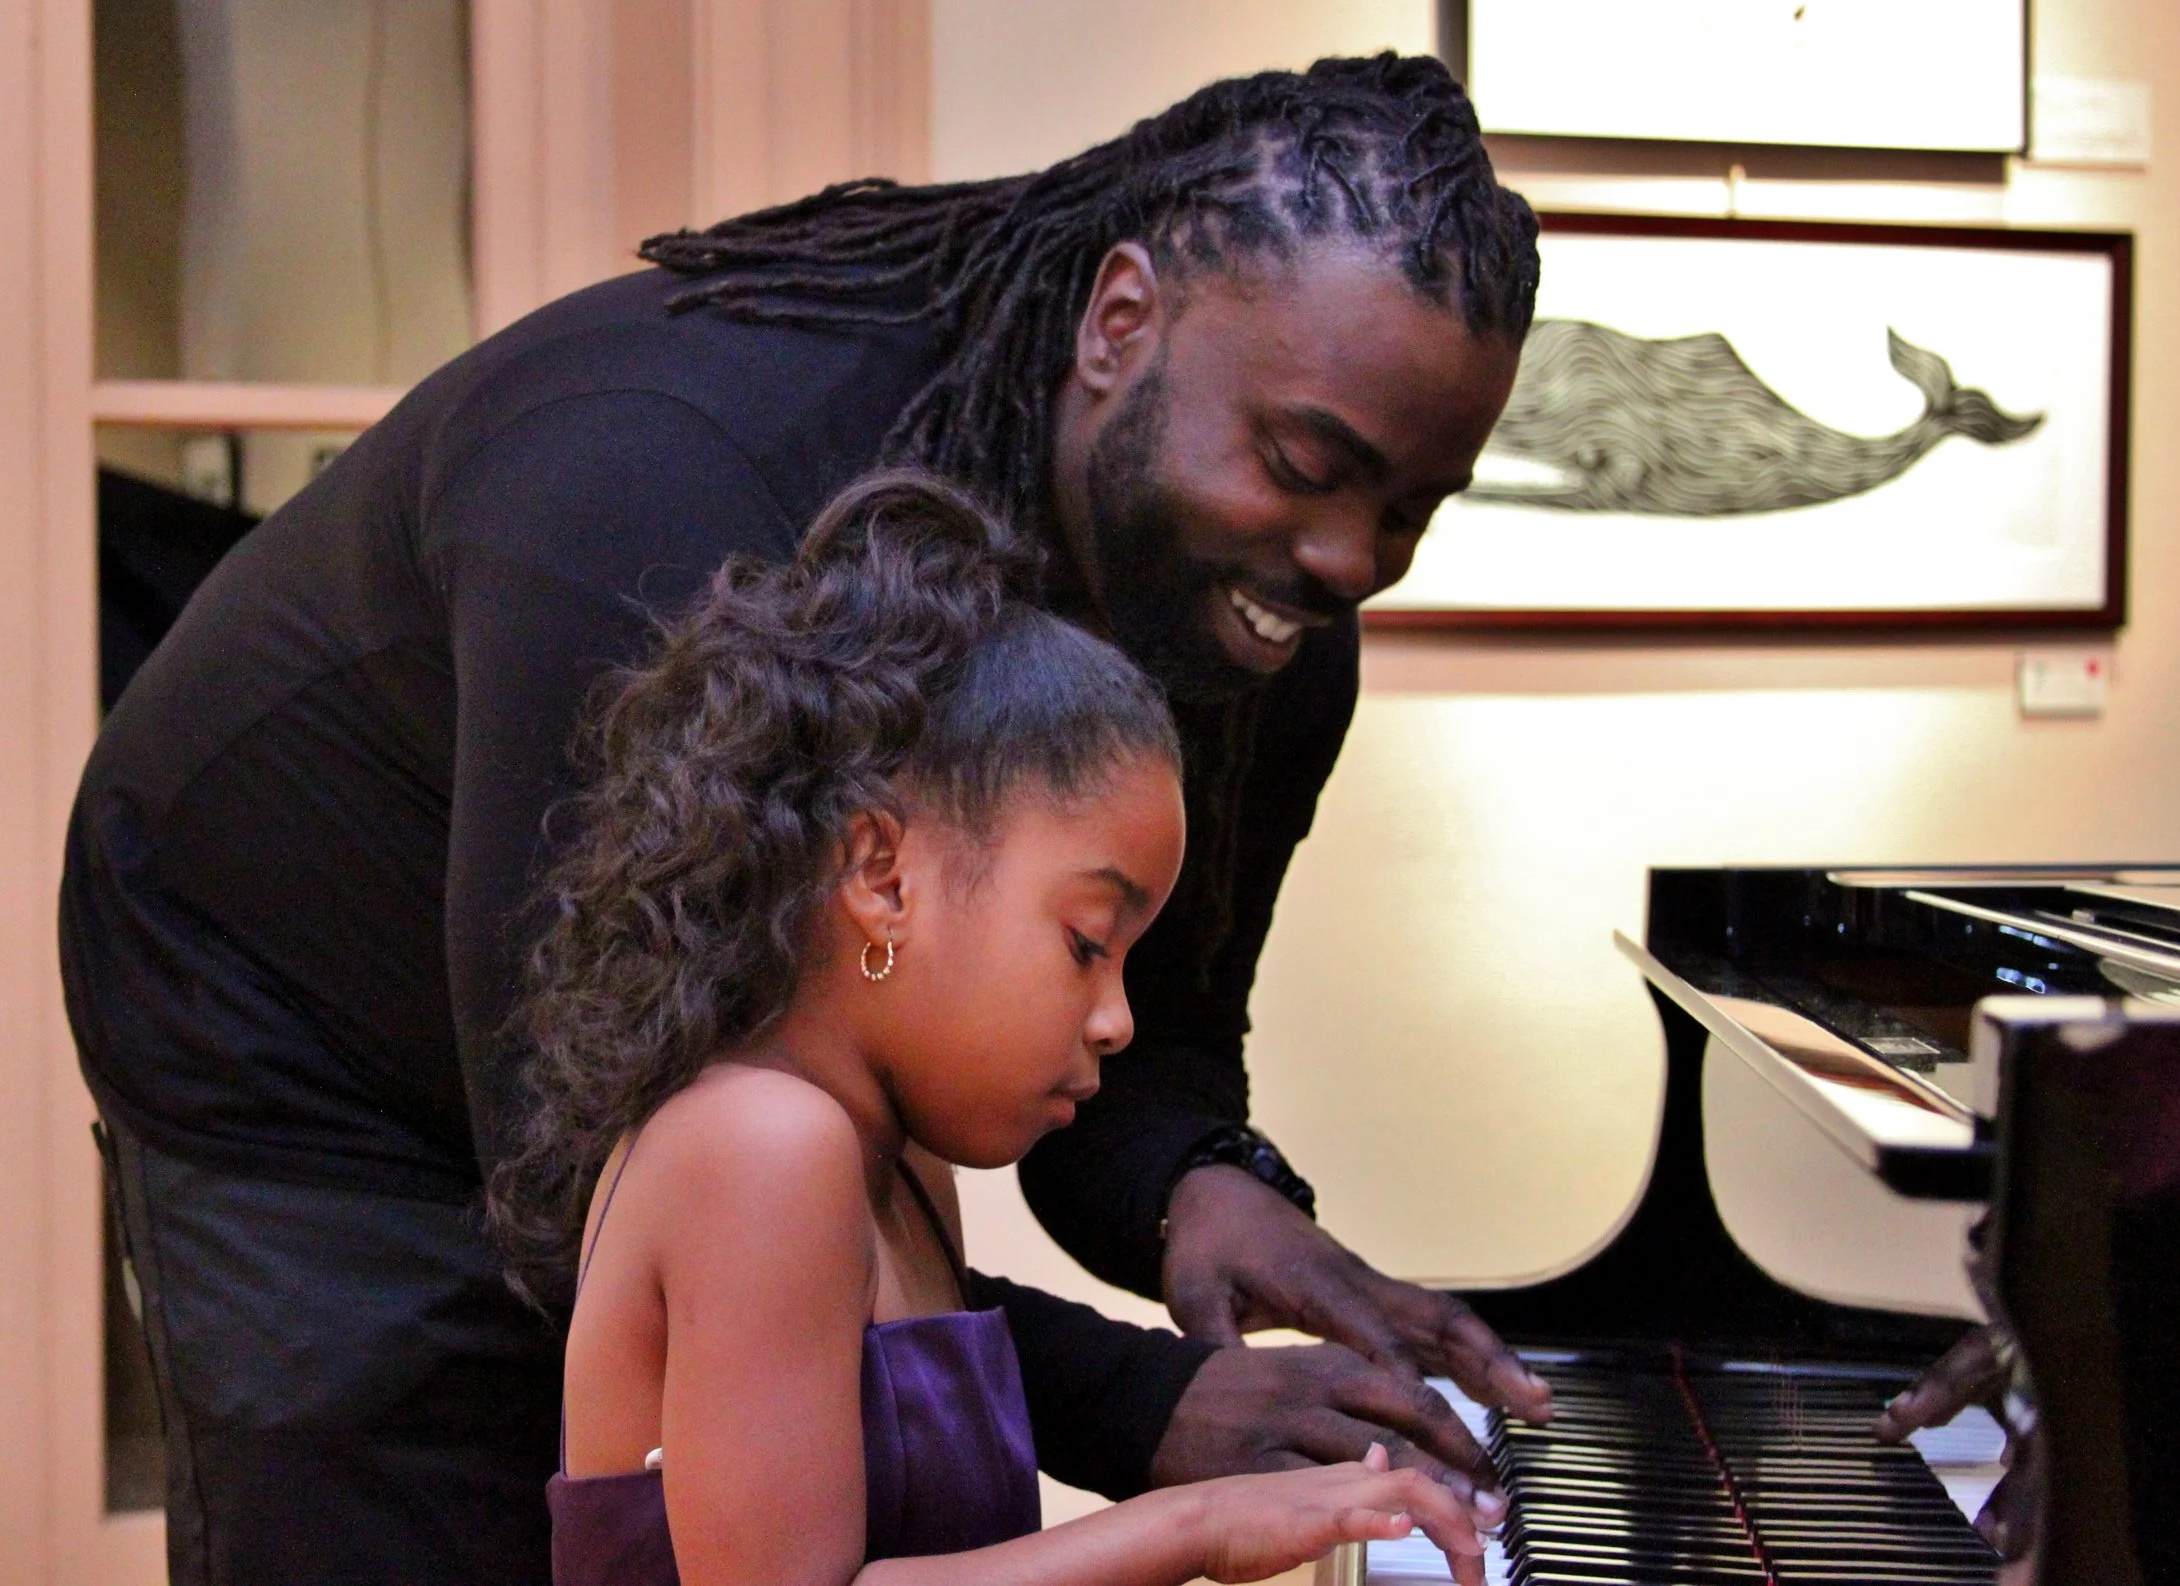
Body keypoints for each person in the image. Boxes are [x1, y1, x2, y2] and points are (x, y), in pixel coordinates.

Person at [62, 52, 1548, 1584]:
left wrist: (1204, 1184)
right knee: (423, 1498)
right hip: (285, 1003)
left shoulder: (1269, 616)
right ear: (1120, 322)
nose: (1350, 558)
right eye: (1311, 465)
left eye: (1412, 511)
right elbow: (595, 1164)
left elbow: (1140, 1022)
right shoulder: (670, 492)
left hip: (651, 1079)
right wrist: (1150, 1415)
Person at [513, 472, 1492, 1586]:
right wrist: (1196, 1524)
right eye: (1086, 942)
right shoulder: (760, 1146)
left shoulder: (902, 1163)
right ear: (882, 876)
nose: (1119, 1020)